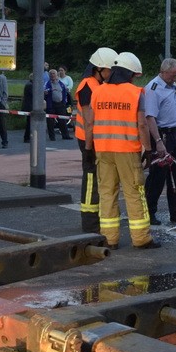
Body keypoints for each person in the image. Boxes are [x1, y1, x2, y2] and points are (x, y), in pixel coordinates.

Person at [84, 51, 159, 250]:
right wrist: (149, 150)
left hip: (103, 150)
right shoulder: (135, 93)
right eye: (135, 75)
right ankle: (141, 238)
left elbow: (89, 123)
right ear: (130, 74)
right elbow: (142, 125)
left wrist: (88, 149)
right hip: (127, 151)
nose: (136, 79)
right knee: (134, 192)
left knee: (107, 193)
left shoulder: (98, 91)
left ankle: (110, 239)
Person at [72, 47, 118, 233]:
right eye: (108, 70)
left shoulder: (97, 85)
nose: (111, 74)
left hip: (95, 140)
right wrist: (89, 148)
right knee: (91, 180)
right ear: (98, 69)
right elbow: (89, 121)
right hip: (87, 141)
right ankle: (90, 223)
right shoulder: (87, 86)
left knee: (97, 179)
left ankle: (96, 219)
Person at [144, 58, 176, 226]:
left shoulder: (172, 86)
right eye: (173, 75)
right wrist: (158, 141)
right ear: (163, 71)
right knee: (157, 177)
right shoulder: (153, 89)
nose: (175, 78)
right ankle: (149, 212)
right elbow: (150, 117)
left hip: (173, 134)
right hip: (161, 136)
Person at [44, 69, 70, 141]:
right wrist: (45, 93)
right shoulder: (47, 83)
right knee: (50, 121)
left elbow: (65, 93)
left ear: (56, 75)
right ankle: (52, 137)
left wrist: (64, 102)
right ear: (49, 75)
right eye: (51, 74)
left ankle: (65, 135)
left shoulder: (61, 84)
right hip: (51, 105)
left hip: (60, 104)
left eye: (54, 74)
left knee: (62, 120)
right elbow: (44, 92)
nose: (52, 75)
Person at [22, 74, 34, 143]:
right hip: (30, 106)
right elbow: (34, 94)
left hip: (29, 105)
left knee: (30, 122)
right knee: (29, 123)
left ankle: (28, 137)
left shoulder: (29, 84)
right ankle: (27, 137)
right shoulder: (30, 85)